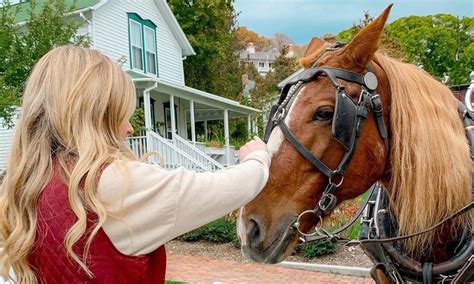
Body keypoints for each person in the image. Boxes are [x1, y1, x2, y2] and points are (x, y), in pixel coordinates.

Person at [0, 45, 270, 283]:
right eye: (121, 115)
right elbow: (220, 189)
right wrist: (258, 157)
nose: (130, 129)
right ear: (97, 117)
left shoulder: (29, 188)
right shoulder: (109, 183)